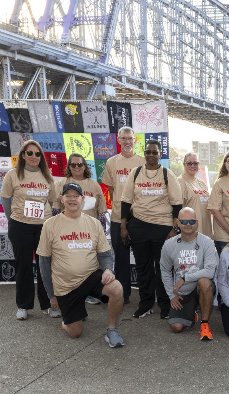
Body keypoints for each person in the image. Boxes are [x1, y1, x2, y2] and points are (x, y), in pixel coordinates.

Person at [37, 182, 125, 347]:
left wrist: (108, 269)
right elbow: (44, 262)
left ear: (82, 199)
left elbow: (105, 254)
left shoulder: (93, 223)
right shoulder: (50, 224)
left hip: (90, 277)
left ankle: (112, 330)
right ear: (62, 199)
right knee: (76, 332)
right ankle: (67, 321)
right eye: (68, 196)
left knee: (117, 288)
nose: (72, 199)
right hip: (66, 286)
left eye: (75, 196)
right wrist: (51, 295)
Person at [120, 140, 183, 319]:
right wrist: (124, 225)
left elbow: (177, 204)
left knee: (162, 268)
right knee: (143, 268)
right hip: (139, 225)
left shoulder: (166, 174)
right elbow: (125, 201)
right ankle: (145, 303)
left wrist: (173, 229)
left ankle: (164, 304)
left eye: (154, 152)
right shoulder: (136, 172)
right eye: (148, 152)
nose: (151, 155)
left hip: (162, 227)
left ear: (160, 154)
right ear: (144, 153)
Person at [1, 140, 58, 320]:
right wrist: (13, 220)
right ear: (23, 155)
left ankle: (47, 304)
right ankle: (23, 305)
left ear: (41, 157)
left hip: (43, 226)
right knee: (23, 265)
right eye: (30, 153)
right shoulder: (13, 174)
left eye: (37, 154)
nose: (34, 157)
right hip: (20, 226)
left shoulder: (47, 176)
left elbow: (52, 201)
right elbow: (6, 199)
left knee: (45, 266)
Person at [55, 153, 109, 306]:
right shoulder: (62, 183)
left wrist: (102, 232)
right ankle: (71, 293)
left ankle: (91, 293)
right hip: (67, 232)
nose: (77, 167)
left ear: (85, 166)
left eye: (80, 164)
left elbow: (102, 211)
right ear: (69, 167)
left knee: (91, 262)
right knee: (71, 262)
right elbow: (55, 209)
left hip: (89, 232)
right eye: (73, 165)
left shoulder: (93, 185)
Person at [102, 126, 146, 305]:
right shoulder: (111, 162)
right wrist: (121, 213)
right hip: (117, 218)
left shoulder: (143, 161)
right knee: (120, 258)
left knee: (142, 258)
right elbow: (111, 190)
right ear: (118, 140)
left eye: (130, 138)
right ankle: (123, 294)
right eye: (124, 138)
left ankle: (146, 296)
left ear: (135, 140)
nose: (127, 142)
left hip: (139, 218)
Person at [160, 208, 218, 340]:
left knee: (204, 281)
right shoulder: (169, 244)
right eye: (184, 221)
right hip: (183, 292)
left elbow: (210, 271)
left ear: (197, 223)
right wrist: (171, 295)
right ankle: (192, 313)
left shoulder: (207, 242)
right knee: (176, 327)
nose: (188, 224)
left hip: (200, 287)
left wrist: (185, 278)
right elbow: (165, 271)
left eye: (191, 221)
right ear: (177, 223)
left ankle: (204, 324)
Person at [178, 152, 213, 238]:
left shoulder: (201, 183)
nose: (193, 166)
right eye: (189, 163)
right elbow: (176, 209)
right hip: (191, 233)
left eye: (195, 163)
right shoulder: (180, 182)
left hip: (206, 232)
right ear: (184, 164)